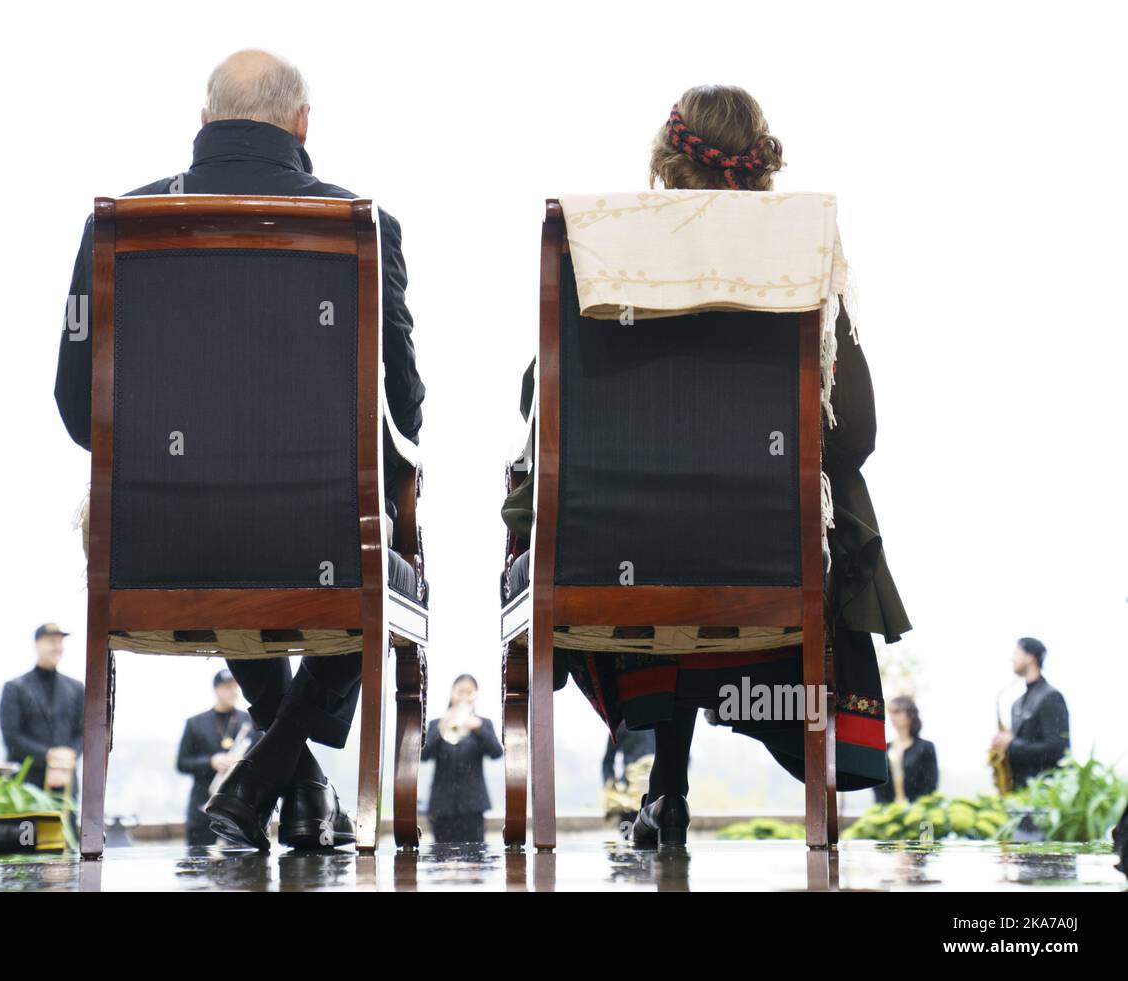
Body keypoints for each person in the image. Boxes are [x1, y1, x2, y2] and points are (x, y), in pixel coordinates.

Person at [499, 85, 909, 848]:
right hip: (767, 553)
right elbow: (854, 434)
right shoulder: (800, 261)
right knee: (746, 518)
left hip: (610, 558)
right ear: (762, 169)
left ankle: (666, 787)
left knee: (652, 534)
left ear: (664, 163)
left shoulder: (601, 250)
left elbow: (543, 407)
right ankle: (679, 784)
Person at [53, 49, 425, 852]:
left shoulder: (117, 225)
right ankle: (278, 772)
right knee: (379, 540)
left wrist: (163, 462)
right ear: (302, 125)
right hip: (323, 537)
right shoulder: (362, 225)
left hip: (161, 531)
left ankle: (282, 780)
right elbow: (406, 411)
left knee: (224, 517)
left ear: (202, 123)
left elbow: (76, 407)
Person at [0, 624, 84, 791]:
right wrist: (49, 756)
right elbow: (11, 737)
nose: (56, 647)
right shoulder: (14, 688)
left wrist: (67, 759)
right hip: (25, 784)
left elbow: (84, 731)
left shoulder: (76, 688)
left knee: (66, 818)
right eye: (51, 641)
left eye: (59, 642)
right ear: (37, 644)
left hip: (65, 783)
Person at [421, 675, 503, 844]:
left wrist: (479, 729)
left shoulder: (483, 724)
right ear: (452, 693)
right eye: (460, 692)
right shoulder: (436, 723)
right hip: (441, 805)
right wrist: (441, 728)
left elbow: (496, 752)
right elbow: (423, 755)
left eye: (469, 692)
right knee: (441, 858)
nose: (464, 696)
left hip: (473, 805)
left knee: (475, 858)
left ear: (476, 695)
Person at [176, 669, 251, 847]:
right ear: (216, 689)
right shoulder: (195, 723)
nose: (233, 691)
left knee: (245, 865)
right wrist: (211, 762)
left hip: (239, 807)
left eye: (235, 686)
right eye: (227, 686)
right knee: (199, 864)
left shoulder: (249, 721)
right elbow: (182, 763)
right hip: (203, 805)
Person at [991, 637, 1070, 787]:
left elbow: (1058, 750)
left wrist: (1012, 744)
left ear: (1030, 657)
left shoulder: (1051, 697)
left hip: (1045, 792)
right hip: (1019, 789)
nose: (1011, 659)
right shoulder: (1017, 704)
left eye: (1016, 653)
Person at [873, 695, 938, 804]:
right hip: (887, 813)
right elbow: (877, 785)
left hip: (918, 813)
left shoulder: (926, 747)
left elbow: (930, 784)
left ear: (910, 715)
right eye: (891, 713)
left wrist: (914, 810)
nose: (892, 717)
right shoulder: (884, 748)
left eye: (897, 712)